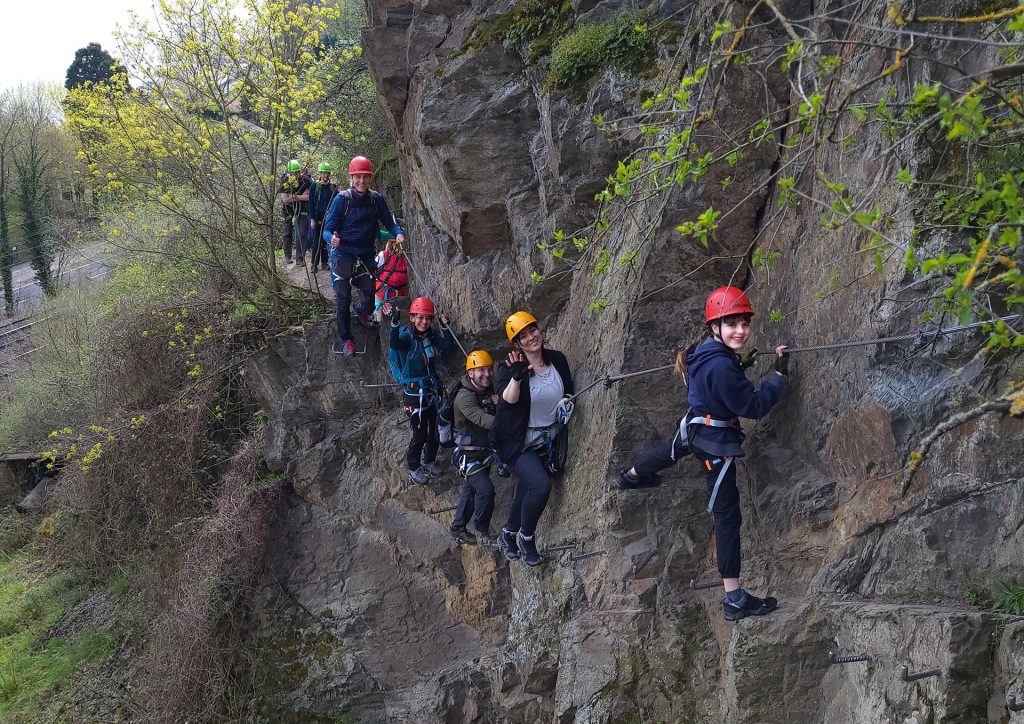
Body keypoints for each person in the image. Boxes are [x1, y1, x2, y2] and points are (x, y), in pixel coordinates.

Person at [615, 286, 789, 621]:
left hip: (695, 426)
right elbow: (753, 406)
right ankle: (734, 598)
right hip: (713, 442)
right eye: (732, 324)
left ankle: (630, 476)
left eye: (744, 323)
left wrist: (741, 363)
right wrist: (779, 375)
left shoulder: (705, 351)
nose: (740, 330)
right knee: (727, 516)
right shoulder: (721, 365)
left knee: (670, 450)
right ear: (715, 327)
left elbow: (719, 377)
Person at [490, 311, 574, 567]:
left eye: (532, 330)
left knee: (528, 486)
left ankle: (508, 533)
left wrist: (566, 405)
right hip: (517, 443)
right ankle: (526, 538)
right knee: (540, 485)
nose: (531, 338)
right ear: (516, 345)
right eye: (522, 337)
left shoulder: (557, 359)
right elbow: (507, 402)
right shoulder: (508, 369)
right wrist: (517, 376)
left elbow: (568, 390)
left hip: (549, 438)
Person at [322, 155, 406, 356]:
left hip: (366, 255)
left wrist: (399, 233)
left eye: (365, 177)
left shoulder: (377, 200)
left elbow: (389, 222)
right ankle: (346, 340)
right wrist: (330, 239)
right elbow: (328, 229)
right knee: (342, 299)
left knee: (369, 299)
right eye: (357, 177)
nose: (361, 181)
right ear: (351, 178)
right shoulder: (342, 200)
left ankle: (360, 311)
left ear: (370, 178)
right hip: (343, 255)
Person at [382, 297, 455, 485]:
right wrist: (395, 323)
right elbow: (395, 344)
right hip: (414, 395)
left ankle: (429, 461)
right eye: (420, 318)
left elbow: (447, 350)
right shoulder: (407, 336)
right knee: (420, 434)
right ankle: (414, 467)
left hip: (432, 391)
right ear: (412, 317)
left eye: (427, 318)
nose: (424, 322)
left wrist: (445, 328)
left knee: (435, 431)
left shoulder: (430, 336)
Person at [450, 350, 499, 545]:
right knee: (485, 490)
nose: (486, 374)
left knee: (471, 489)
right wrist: (511, 423)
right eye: (481, 370)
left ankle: (458, 528)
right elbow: (481, 419)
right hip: (468, 454)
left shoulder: (486, 389)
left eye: (489, 369)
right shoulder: (464, 397)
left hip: (483, 451)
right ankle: (481, 530)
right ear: (470, 373)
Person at [278, 159, 310, 266]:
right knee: (287, 231)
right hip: (288, 209)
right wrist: (300, 197)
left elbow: (309, 197)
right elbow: (285, 199)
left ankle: (300, 258)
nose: (296, 175)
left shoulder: (305, 180)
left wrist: (294, 197)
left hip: (301, 208)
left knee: (302, 232)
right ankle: (287, 256)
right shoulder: (285, 180)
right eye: (293, 173)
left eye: (297, 172)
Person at [307, 162, 337, 273]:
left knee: (325, 241)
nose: (325, 175)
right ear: (319, 173)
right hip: (317, 218)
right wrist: (312, 219)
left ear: (329, 174)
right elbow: (310, 203)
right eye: (323, 173)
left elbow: (336, 202)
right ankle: (314, 264)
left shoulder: (332, 187)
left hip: (328, 219)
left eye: (327, 173)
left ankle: (324, 263)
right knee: (316, 241)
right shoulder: (315, 186)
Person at [373, 236, 408, 322]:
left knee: (398, 318)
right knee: (379, 318)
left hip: (399, 295)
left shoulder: (405, 258)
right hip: (382, 292)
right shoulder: (383, 255)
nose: (394, 246)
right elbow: (374, 268)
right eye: (392, 243)